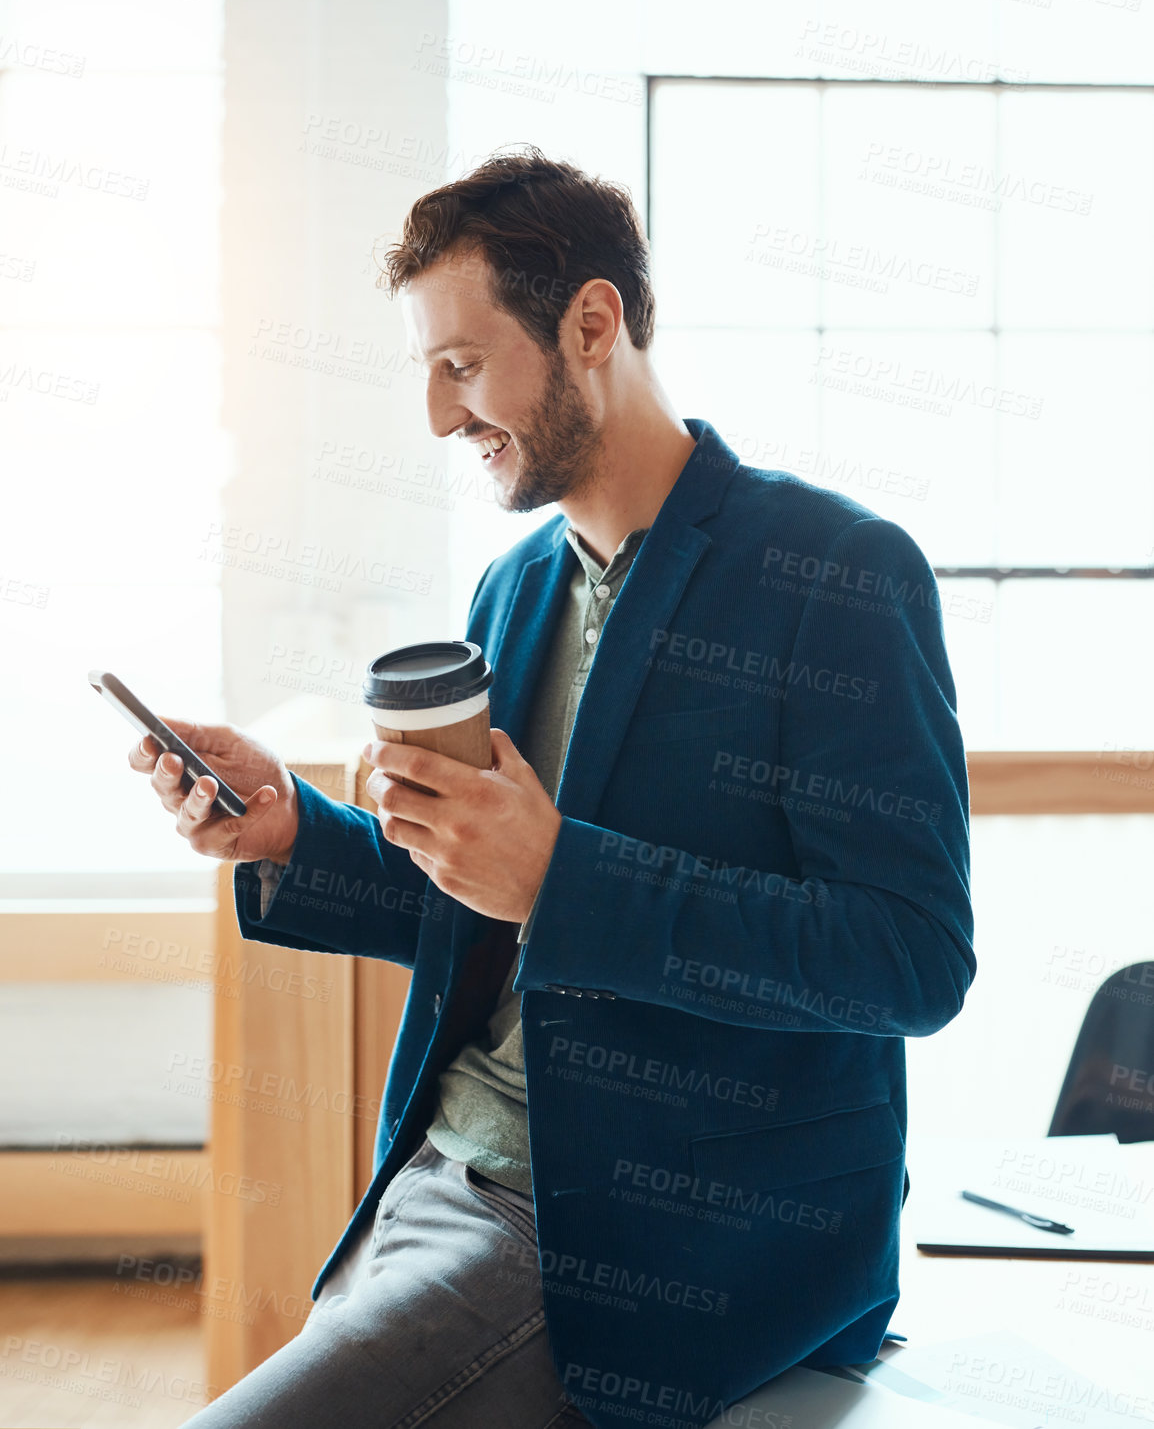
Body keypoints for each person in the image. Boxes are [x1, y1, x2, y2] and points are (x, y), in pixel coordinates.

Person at [132, 148, 976, 1429]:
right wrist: (293, 830)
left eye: (460, 366)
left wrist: (561, 875)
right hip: (432, 1172)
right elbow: (479, 908)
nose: (435, 416)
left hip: (633, 1234)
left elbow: (909, 959)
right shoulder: (514, 590)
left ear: (592, 323)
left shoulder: (838, 574)